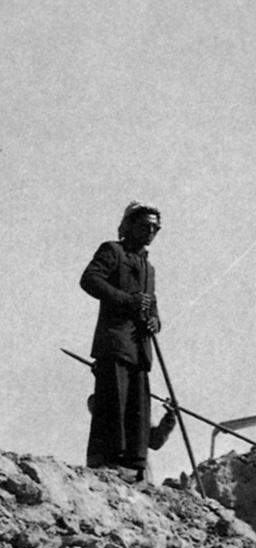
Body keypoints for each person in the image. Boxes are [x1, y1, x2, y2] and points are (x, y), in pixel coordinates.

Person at [80, 202, 164, 481]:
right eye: (145, 226)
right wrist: (127, 301)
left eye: (155, 228)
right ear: (129, 226)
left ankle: (133, 465)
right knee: (113, 401)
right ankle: (105, 460)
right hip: (115, 341)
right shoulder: (113, 251)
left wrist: (155, 321)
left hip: (140, 348)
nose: (150, 231)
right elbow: (90, 279)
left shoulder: (149, 267)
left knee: (138, 407)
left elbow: (152, 305)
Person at [84, 395, 177, 467]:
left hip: (133, 474)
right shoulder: (101, 425)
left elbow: (155, 441)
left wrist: (170, 416)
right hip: (109, 471)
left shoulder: (134, 417)